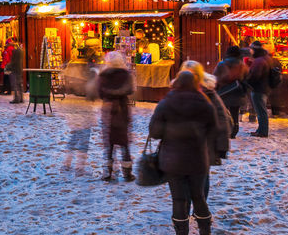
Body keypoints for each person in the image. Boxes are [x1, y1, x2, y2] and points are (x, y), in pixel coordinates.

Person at [149, 70, 217, 235]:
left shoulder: (166, 103)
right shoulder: (205, 102)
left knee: (179, 199)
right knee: (199, 196)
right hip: (198, 159)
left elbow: (155, 132)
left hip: (173, 160)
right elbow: (213, 130)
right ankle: (205, 230)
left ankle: (181, 232)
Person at [97, 51, 135, 181]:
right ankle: (127, 173)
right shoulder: (126, 75)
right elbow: (130, 89)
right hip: (122, 109)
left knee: (109, 142)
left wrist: (109, 94)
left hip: (108, 110)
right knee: (124, 142)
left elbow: (100, 92)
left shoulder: (103, 75)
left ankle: (108, 172)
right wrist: (120, 93)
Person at [214, 45, 248, 138]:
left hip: (224, 92)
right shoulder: (242, 65)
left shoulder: (221, 64)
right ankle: (234, 130)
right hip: (237, 92)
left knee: (223, 113)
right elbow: (247, 79)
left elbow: (215, 79)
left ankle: (225, 130)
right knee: (234, 113)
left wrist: (215, 91)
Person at [245, 41, 272, 137]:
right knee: (261, 110)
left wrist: (247, 81)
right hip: (264, 88)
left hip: (258, 89)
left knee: (260, 111)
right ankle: (261, 129)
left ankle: (263, 131)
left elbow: (255, 76)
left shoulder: (259, 61)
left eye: (251, 49)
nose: (250, 51)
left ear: (255, 50)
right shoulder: (266, 58)